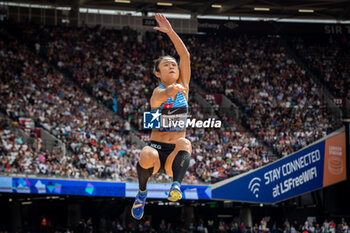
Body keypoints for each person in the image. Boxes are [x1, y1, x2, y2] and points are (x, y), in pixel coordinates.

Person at [131, 13, 192, 220]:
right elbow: (158, 101)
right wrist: (170, 92)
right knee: (146, 153)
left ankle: (176, 186)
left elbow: (185, 56)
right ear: (158, 73)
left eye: (173, 63)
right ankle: (141, 193)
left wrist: (170, 32)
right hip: (157, 152)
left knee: (185, 142)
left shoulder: (184, 85)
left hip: (174, 154)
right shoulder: (158, 91)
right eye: (166, 64)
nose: (172, 65)